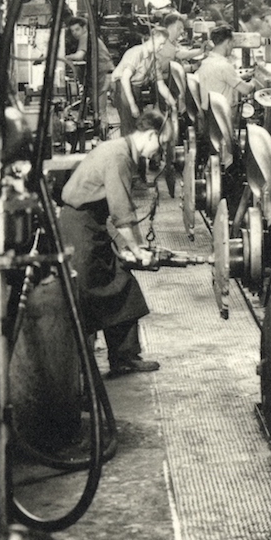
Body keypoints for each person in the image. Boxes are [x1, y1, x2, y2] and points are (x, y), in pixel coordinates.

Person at [58, 104, 168, 376]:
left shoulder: (120, 149)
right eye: (160, 145)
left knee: (122, 281)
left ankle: (124, 357)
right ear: (151, 136)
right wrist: (137, 249)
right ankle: (77, 368)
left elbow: (115, 213)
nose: (158, 152)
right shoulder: (119, 156)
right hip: (79, 228)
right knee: (81, 295)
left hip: (90, 223)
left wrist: (132, 247)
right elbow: (121, 213)